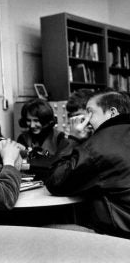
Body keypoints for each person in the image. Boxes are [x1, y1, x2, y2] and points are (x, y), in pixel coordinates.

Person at [46, 90, 130, 239]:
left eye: (90, 113)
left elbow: (55, 181)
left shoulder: (99, 145)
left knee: (46, 230)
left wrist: (73, 138)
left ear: (112, 112)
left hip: (119, 237)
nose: (86, 119)